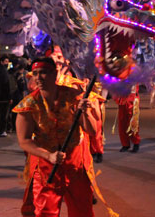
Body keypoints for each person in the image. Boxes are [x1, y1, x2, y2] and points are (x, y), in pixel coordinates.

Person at [13, 57, 99, 217]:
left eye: (43, 73)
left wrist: (86, 112)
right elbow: (24, 141)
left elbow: (92, 131)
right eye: (35, 73)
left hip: (75, 166)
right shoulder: (28, 105)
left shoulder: (73, 96)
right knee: (46, 213)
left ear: (54, 74)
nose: (38, 77)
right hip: (46, 168)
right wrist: (49, 155)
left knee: (83, 211)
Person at [115, 83, 141, 152]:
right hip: (122, 98)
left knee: (133, 121)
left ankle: (136, 142)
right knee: (122, 122)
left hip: (132, 99)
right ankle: (125, 144)